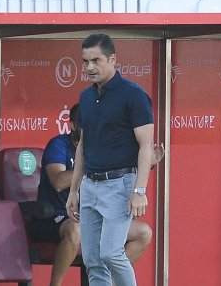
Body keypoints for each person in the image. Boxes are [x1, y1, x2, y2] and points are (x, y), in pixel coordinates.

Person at [35, 104, 165, 286]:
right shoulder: (59, 144)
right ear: (74, 125)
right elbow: (58, 182)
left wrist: (142, 165)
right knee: (76, 229)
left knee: (143, 233)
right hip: (56, 215)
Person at [66, 34, 155, 286]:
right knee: (93, 259)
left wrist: (139, 190)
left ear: (113, 59)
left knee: (111, 253)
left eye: (96, 60)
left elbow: (146, 144)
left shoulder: (133, 95)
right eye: (85, 62)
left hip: (120, 185)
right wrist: (74, 190)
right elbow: (83, 144)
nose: (89, 67)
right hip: (90, 186)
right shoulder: (85, 97)